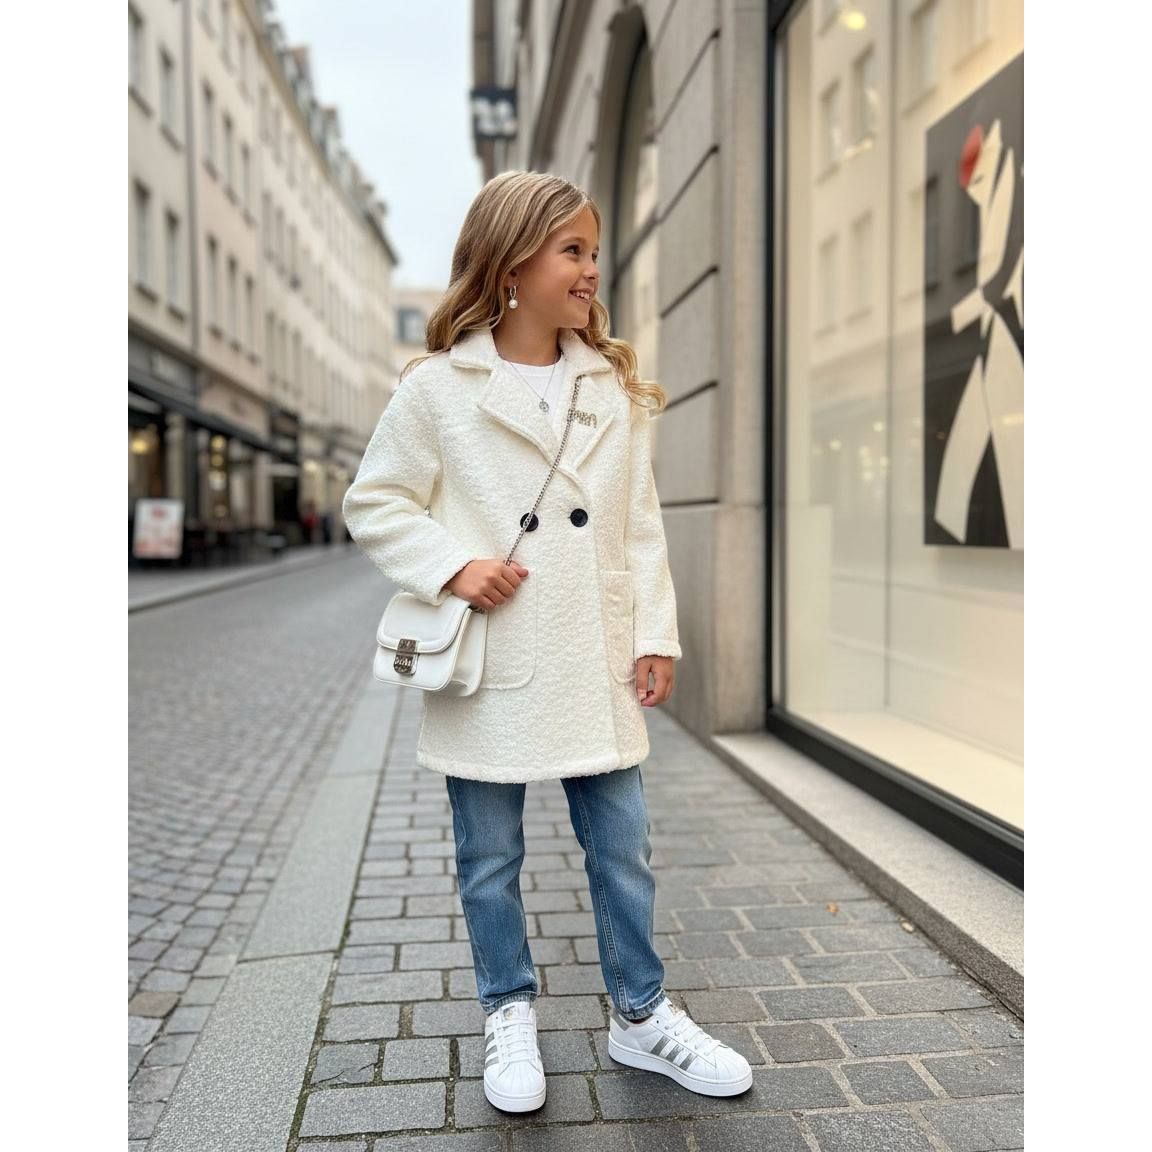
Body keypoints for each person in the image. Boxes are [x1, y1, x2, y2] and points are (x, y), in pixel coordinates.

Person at [342, 171, 753, 1114]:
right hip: (493, 659)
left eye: (594, 251)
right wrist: (453, 565)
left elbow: (639, 525)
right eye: (573, 250)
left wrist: (655, 632)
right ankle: (509, 1010)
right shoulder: (439, 388)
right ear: (511, 264)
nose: (592, 269)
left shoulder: (608, 385)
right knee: (489, 859)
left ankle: (640, 1015)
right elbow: (377, 501)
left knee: (624, 849)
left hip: (594, 655)